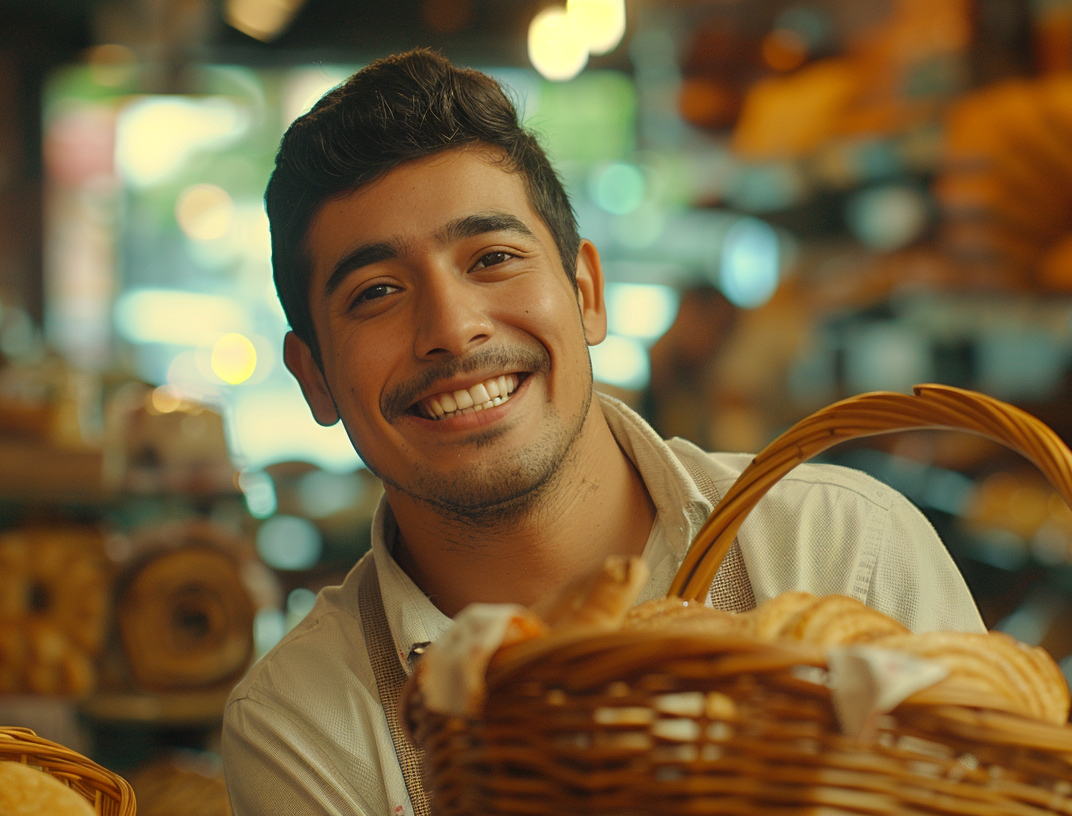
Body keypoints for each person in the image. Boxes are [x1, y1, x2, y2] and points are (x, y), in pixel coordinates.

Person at [221, 48, 983, 816]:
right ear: (314, 375)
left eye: (492, 258)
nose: (453, 331)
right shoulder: (304, 725)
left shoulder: (845, 549)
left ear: (586, 292)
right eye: (377, 291)